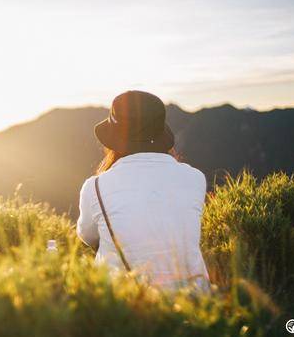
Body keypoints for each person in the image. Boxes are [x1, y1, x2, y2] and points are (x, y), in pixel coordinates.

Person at [77, 90, 210, 291]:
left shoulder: (94, 187)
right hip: (195, 306)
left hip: (126, 306)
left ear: (114, 140)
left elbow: (87, 237)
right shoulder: (195, 179)